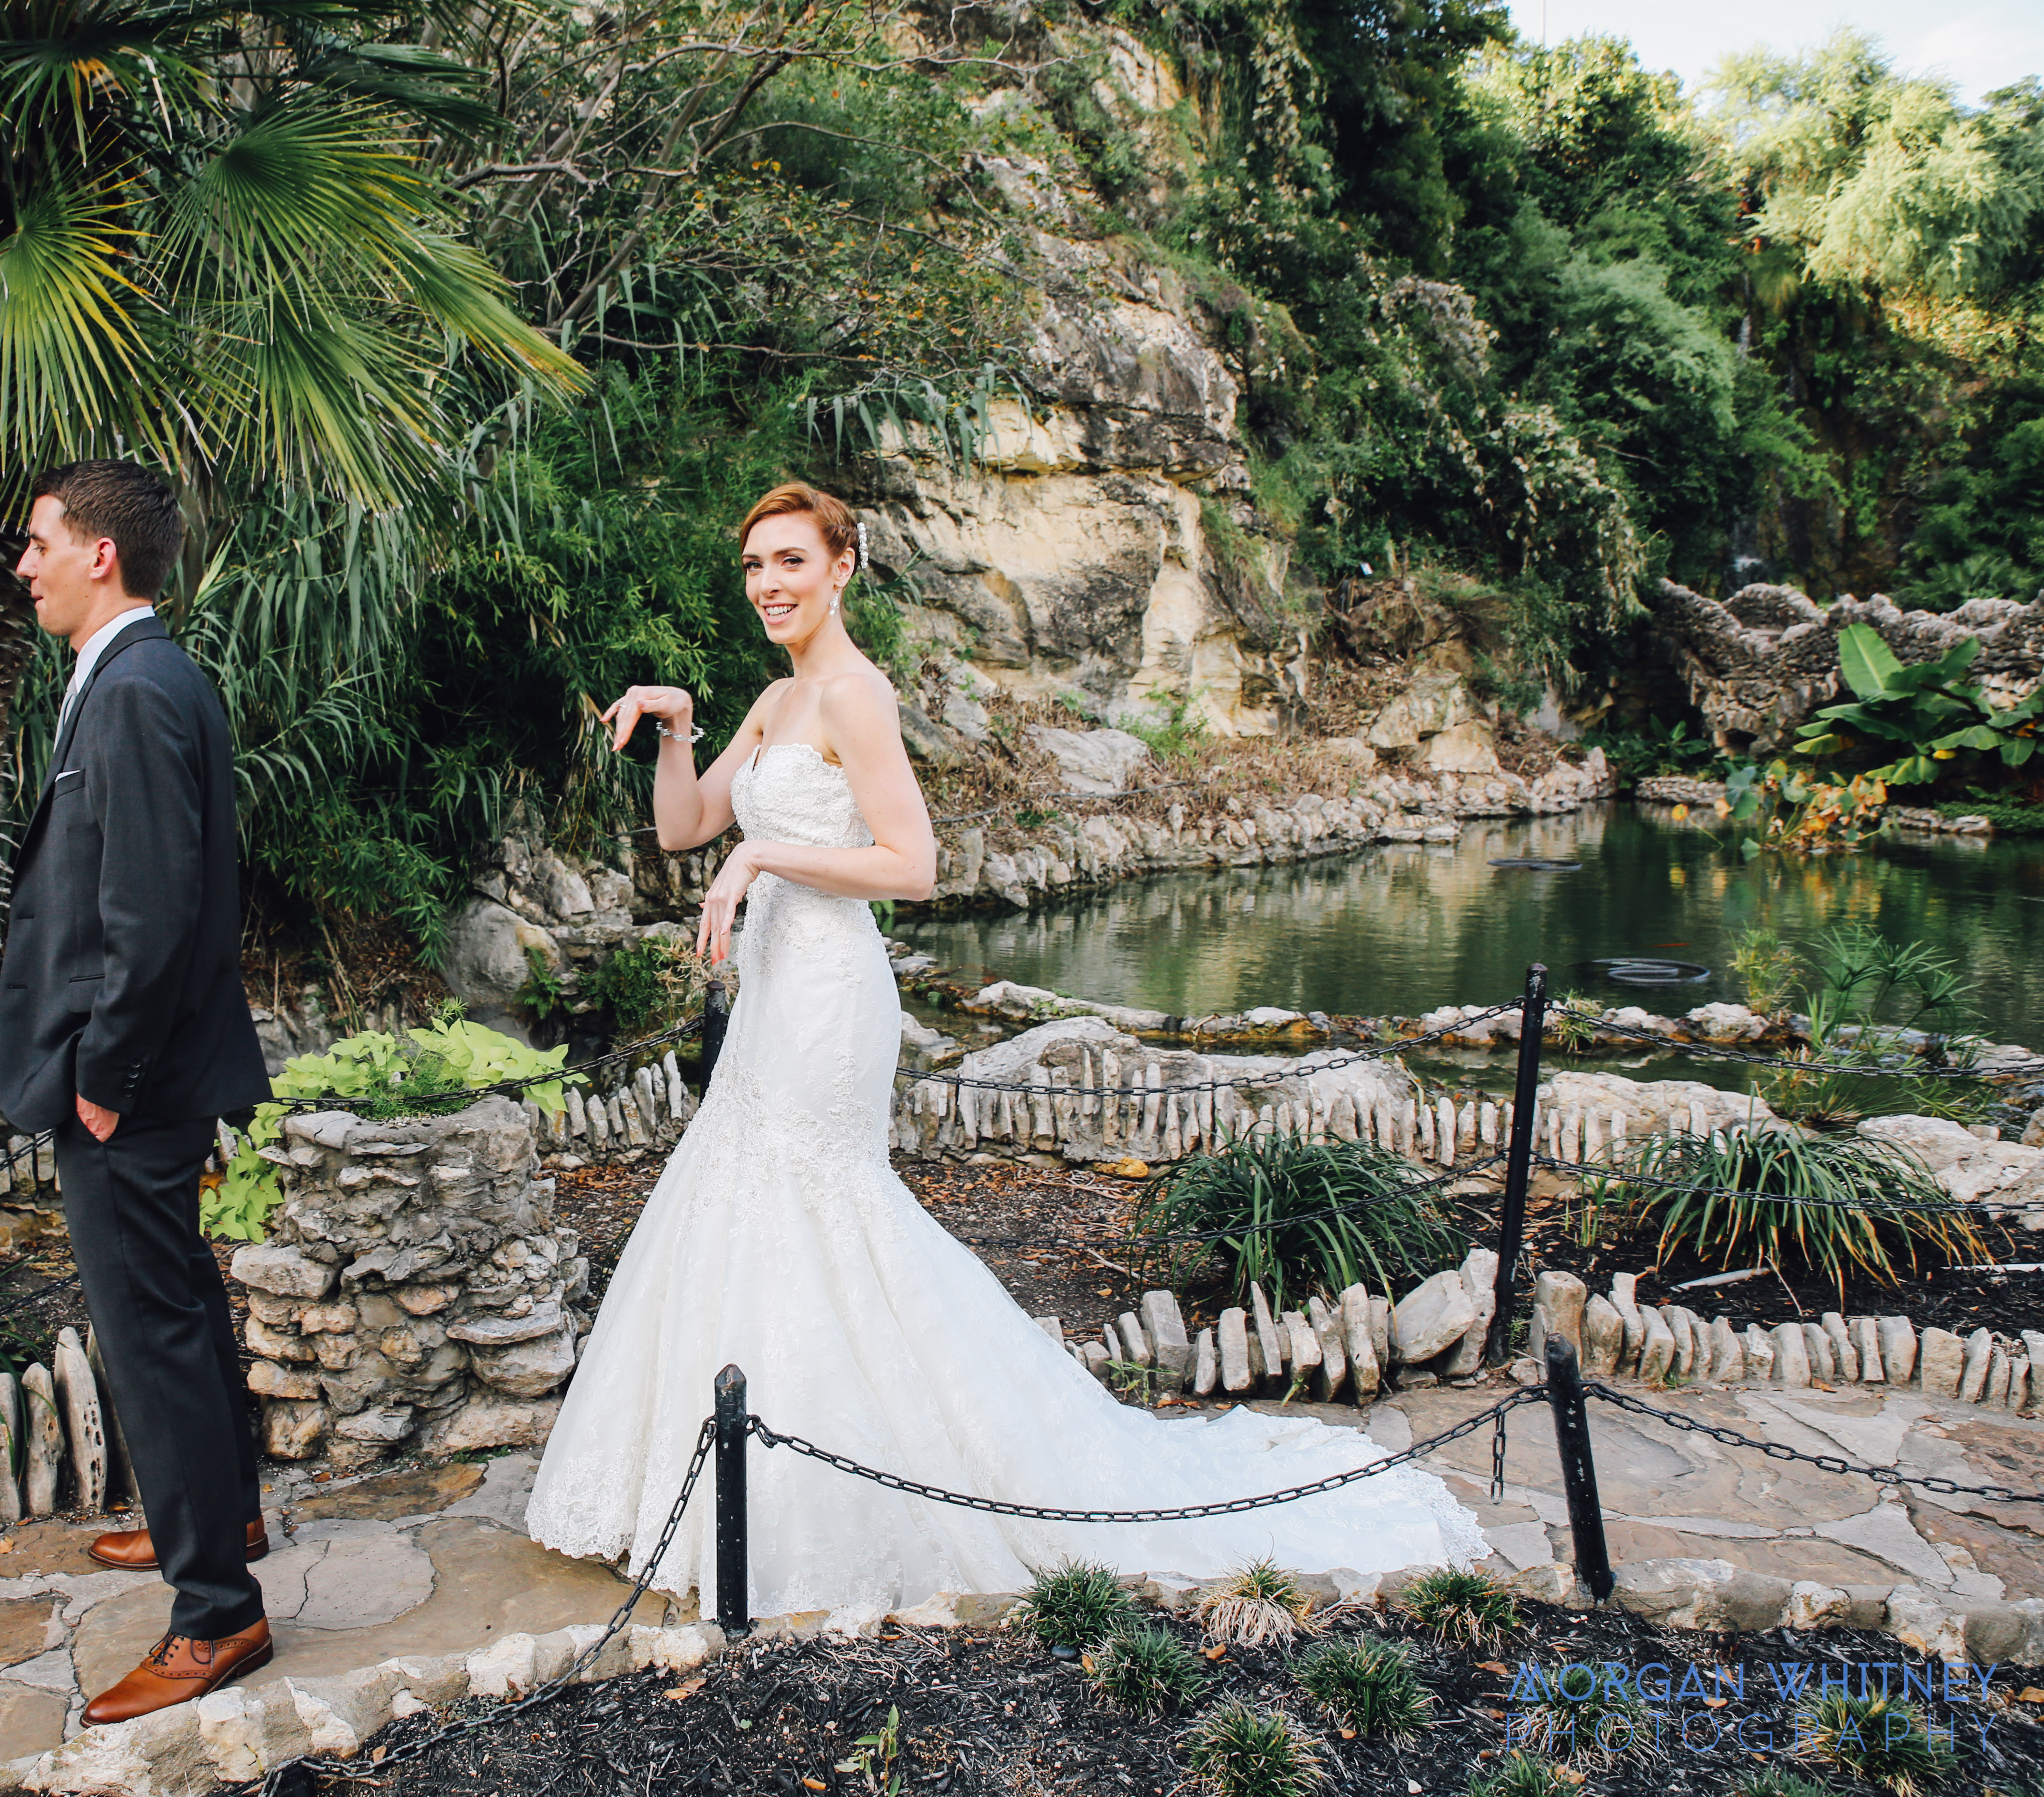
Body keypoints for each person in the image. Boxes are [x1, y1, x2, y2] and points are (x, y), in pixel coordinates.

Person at [526, 482, 1484, 1628]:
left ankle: (855, 1489)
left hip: (830, 995)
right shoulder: (778, 700)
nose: (768, 585)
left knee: (818, 1208)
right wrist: (679, 728)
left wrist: (763, 858)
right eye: (754, 567)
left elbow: (912, 865)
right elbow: (685, 826)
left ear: (841, 567)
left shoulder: (857, 695)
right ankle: (733, 1491)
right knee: (748, 1201)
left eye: (790, 562)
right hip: (776, 990)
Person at [0, 460, 277, 1722]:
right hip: (155, 1070)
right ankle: (225, 1518)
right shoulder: (141, 677)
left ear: (99, 554)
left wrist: (105, 1075)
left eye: (39, 542)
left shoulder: (135, 689)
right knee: (181, 1308)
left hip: (131, 1079)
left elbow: (152, 907)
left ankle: (216, 1613)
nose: (25, 565)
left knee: (151, 1333)